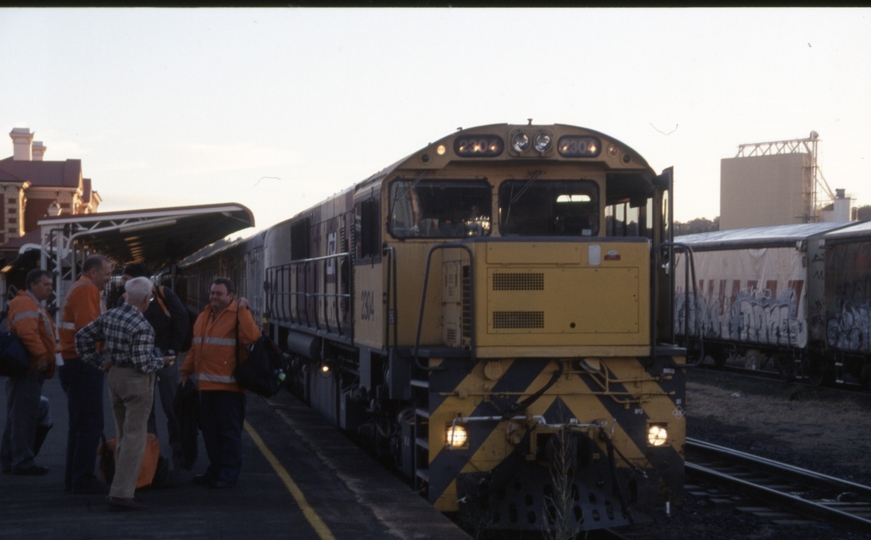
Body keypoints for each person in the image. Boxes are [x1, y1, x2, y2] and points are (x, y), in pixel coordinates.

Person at [76, 276, 175, 512]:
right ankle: (122, 493)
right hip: (136, 382)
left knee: (122, 434)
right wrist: (163, 362)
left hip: (115, 378)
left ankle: (118, 487)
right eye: (150, 297)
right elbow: (143, 363)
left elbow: (81, 337)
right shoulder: (142, 326)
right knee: (135, 437)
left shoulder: (110, 315)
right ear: (144, 299)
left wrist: (100, 362)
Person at [179, 277, 259, 489]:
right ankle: (215, 469)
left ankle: (228, 473)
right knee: (210, 432)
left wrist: (243, 310)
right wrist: (185, 371)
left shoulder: (239, 315)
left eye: (219, 293)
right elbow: (195, 347)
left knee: (229, 433)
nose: (214, 296)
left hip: (229, 388)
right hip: (206, 387)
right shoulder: (203, 316)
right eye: (212, 293)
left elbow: (252, 337)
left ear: (230, 296)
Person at [117, 263, 188, 466]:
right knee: (145, 409)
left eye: (126, 279)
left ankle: (179, 449)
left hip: (165, 359)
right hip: (139, 362)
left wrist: (173, 348)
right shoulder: (123, 300)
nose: (122, 283)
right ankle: (151, 452)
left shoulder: (162, 294)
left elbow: (181, 318)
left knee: (171, 405)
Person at [57, 254, 113, 494]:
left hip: (72, 361)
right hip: (83, 363)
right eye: (107, 274)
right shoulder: (87, 290)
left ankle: (75, 477)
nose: (109, 279)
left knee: (79, 424)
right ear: (93, 273)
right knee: (91, 422)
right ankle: (83, 479)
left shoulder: (80, 288)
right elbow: (89, 328)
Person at [1, 269, 56, 475]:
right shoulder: (26, 303)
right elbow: (27, 332)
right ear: (32, 284)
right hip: (30, 367)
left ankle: (10, 459)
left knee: (17, 416)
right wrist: (42, 355)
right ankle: (22, 462)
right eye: (45, 284)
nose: (50, 288)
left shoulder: (30, 303)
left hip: (26, 367)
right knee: (24, 417)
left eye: (51, 285)